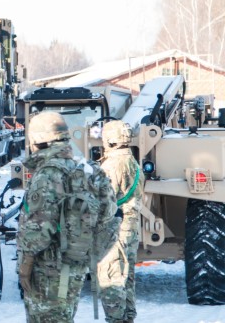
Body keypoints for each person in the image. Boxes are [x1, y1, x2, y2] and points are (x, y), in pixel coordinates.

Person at [17, 111, 118, 323]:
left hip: (48, 267)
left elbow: (39, 228)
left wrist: (25, 264)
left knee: (46, 318)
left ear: (37, 139)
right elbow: (108, 211)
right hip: (75, 263)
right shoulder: (86, 170)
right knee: (63, 315)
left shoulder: (47, 174)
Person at [97, 120, 142, 323]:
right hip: (130, 227)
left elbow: (104, 199)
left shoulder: (113, 164)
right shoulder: (132, 160)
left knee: (111, 278)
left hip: (115, 229)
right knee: (127, 278)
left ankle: (116, 319)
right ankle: (127, 318)